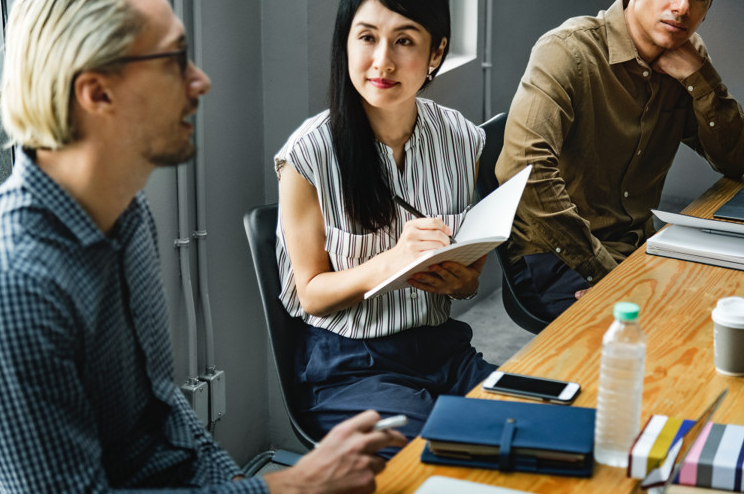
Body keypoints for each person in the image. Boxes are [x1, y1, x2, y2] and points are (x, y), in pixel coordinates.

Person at [0, 0, 405, 493]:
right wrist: (292, 486)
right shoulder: (20, 287)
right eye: (174, 61)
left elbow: (163, 408)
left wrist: (232, 478)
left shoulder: (126, 213)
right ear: (97, 92)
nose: (201, 80)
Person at [275, 0, 497, 447]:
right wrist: (393, 261)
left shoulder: (463, 140)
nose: (383, 61)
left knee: (534, 424)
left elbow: (469, 282)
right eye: (368, 37)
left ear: (436, 53)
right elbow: (311, 295)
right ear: (346, 43)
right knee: (448, 451)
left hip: (443, 349)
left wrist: (460, 282)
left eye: (405, 40)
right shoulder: (307, 155)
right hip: (351, 367)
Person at [495, 0, 744, 321]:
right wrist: (607, 277)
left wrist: (701, 78)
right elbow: (524, 173)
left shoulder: (688, 54)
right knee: (670, 334)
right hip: (560, 256)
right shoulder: (566, 51)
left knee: (723, 302)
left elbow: (737, 161)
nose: (682, 8)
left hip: (638, 243)